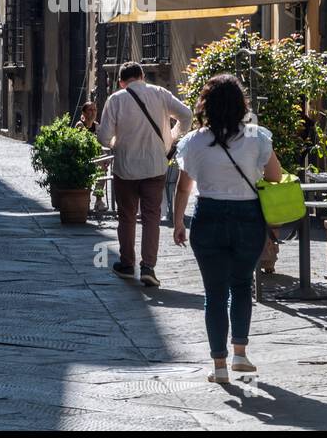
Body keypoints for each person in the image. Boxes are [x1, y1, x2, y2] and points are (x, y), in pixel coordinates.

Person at [173, 73, 283, 383]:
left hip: (208, 218)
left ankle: (218, 366)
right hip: (247, 217)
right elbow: (275, 176)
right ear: (240, 104)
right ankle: (240, 354)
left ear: (206, 105)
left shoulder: (194, 141)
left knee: (214, 294)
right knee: (241, 286)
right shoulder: (257, 136)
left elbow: (183, 188)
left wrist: (179, 221)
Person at [96, 62, 193, 288]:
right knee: (152, 217)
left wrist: (115, 144)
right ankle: (148, 267)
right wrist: (171, 137)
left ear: (121, 81)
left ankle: (127, 264)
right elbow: (187, 115)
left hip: (126, 168)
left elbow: (103, 138)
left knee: (126, 217)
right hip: (155, 167)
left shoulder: (116, 99)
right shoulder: (159, 94)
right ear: (142, 76)